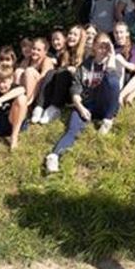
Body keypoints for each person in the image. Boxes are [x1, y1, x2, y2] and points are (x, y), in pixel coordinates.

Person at [43, 34, 121, 174]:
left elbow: (115, 86)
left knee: (112, 80)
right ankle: (54, 156)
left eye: (107, 45)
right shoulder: (84, 66)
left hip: (105, 104)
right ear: (94, 47)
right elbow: (75, 91)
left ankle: (108, 120)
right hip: (86, 104)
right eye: (101, 45)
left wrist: (112, 56)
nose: (104, 49)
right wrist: (81, 107)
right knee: (72, 129)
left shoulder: (115, 63)